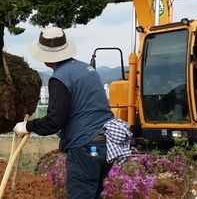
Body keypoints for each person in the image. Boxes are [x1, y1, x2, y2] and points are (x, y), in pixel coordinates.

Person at [13, 27, 131, 199]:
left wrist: (27, 126)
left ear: (46, 59)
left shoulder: (59, 79)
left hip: (85, 147)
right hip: (106, 144)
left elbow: (54, 121)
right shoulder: (87, 69)